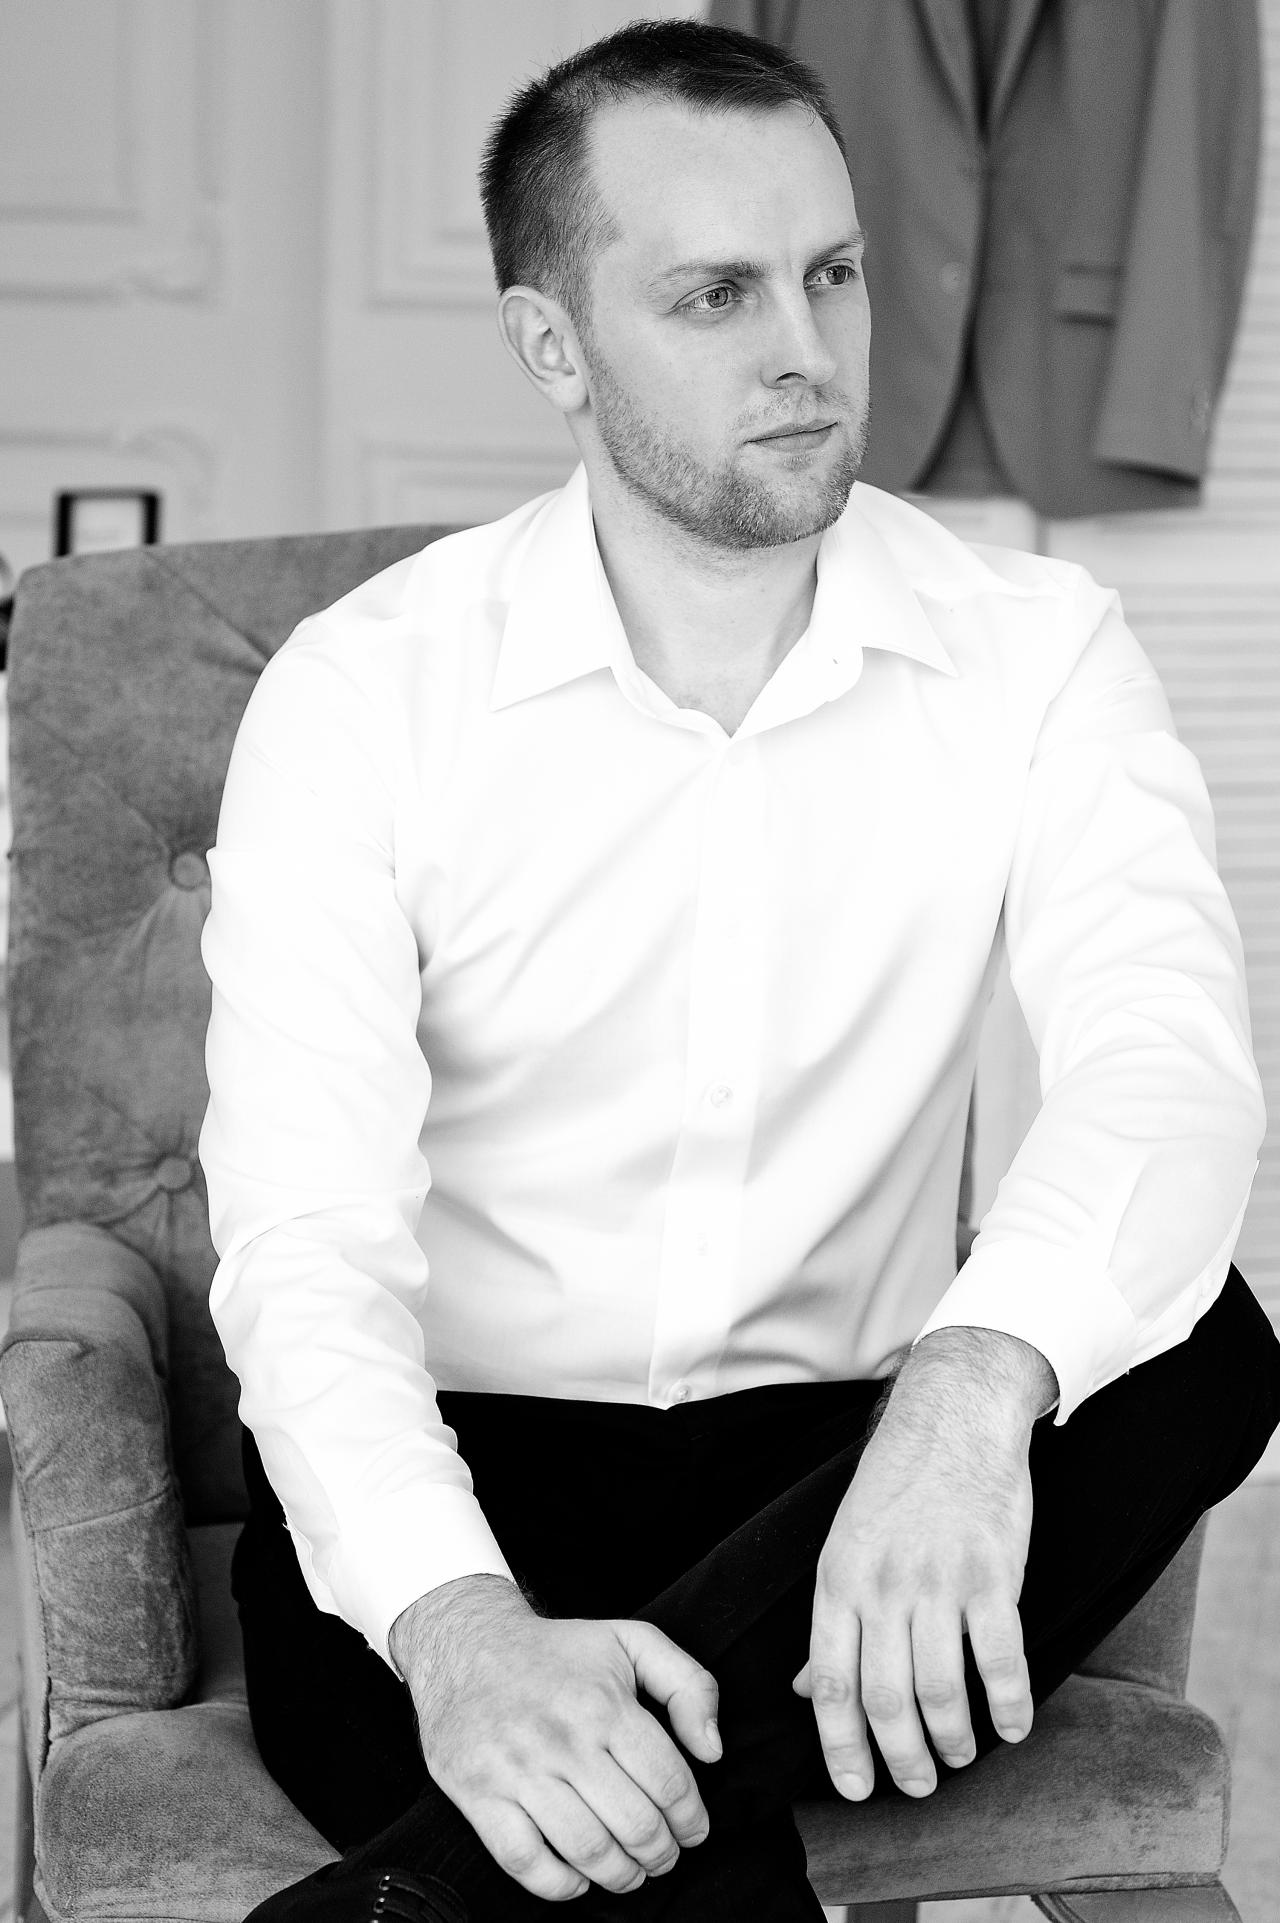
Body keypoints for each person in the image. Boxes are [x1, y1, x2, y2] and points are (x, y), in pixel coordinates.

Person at [198, 20, 1280, 1923]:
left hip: (847, 1475)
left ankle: (431, 1882)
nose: (809, 349)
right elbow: (304, 1247)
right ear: (553, 345)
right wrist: (460, 1634)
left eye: (832, 274)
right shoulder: (363, 694)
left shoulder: (1036, 648)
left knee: (1203, 1346)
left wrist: (965, 1401)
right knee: (647, 1840)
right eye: (717, 295)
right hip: (477, 1480)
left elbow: (1164, 1067)